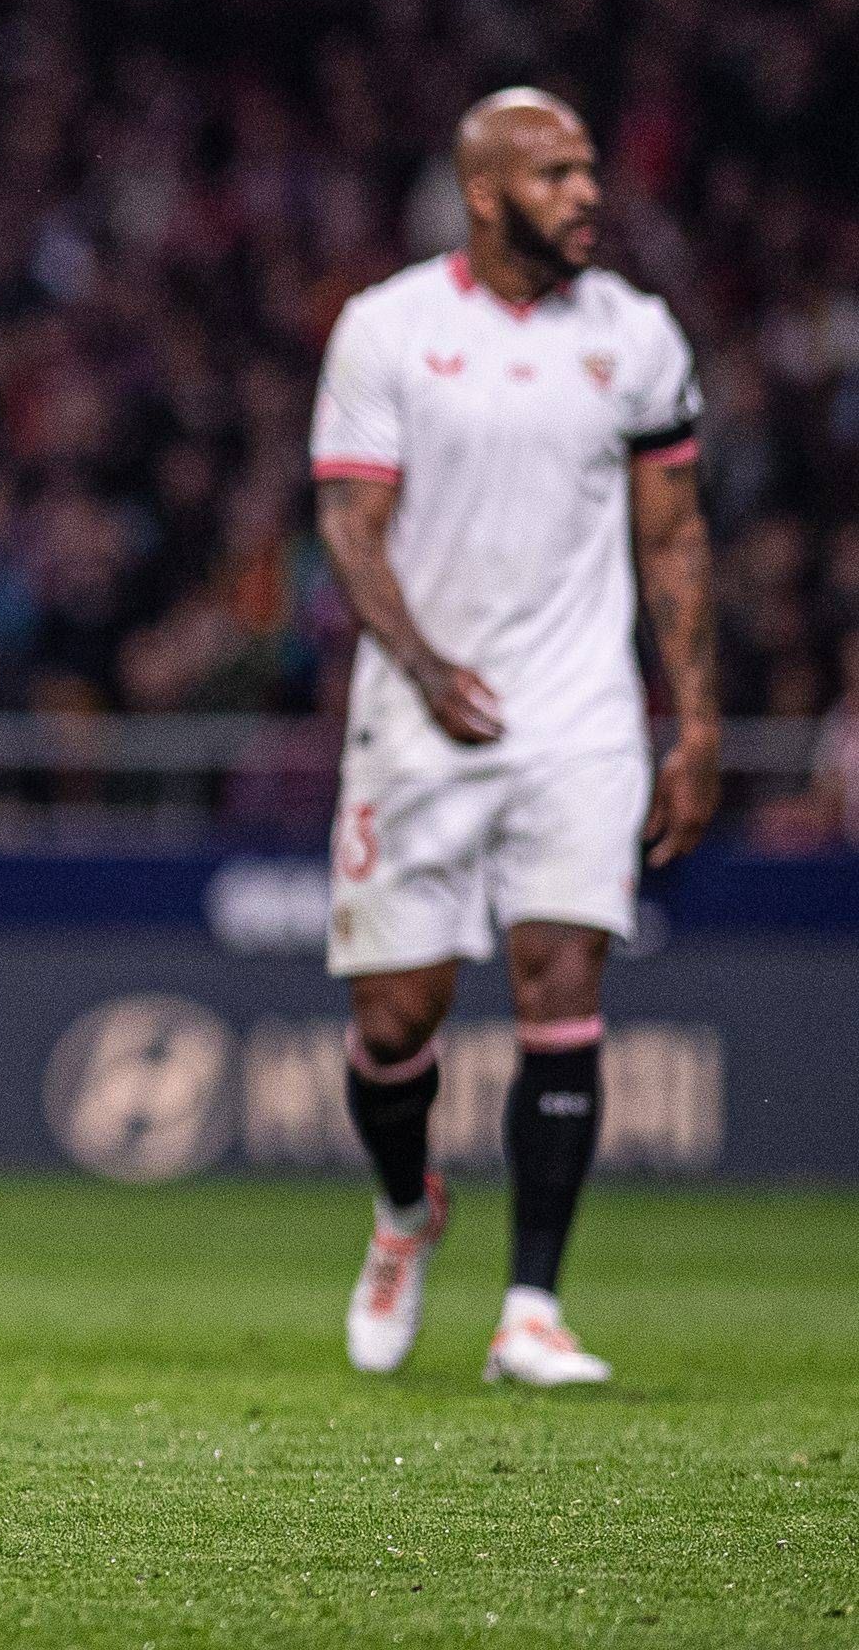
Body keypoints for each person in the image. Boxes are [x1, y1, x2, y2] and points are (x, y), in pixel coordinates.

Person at [310, 88, 716, 1386]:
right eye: (555, 174)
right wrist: (424, 666)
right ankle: (405, 1210)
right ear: (485, 193)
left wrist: (696, 719)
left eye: (590, 168)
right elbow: (350, 530)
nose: (588, 192)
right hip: (419, 714)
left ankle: (530, 1309)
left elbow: (673, 537)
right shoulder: (389, 329)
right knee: (394, 1017)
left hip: (578, 713)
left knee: (560, 985)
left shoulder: (639, 339)